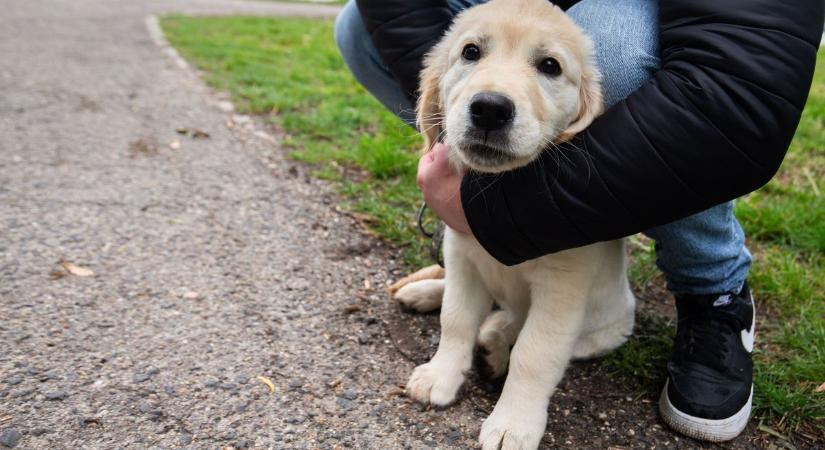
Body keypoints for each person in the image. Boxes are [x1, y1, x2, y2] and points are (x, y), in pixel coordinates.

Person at [335, 0, 823, 442]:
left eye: (547, 67)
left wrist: (525, 399)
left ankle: (713, 287)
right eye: (471, 54)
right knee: (359, 25)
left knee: (610, 50)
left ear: (586, 113)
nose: (490, 99)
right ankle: (487, 275)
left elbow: (734, 85)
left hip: (594, 317)